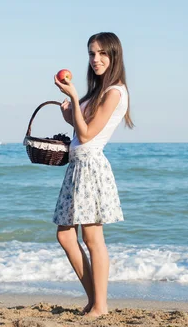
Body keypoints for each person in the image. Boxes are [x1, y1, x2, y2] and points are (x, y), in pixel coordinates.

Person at [52, 32, 134, 318]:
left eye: (102, 53)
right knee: (65, 235)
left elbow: (87, 136)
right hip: (77, 167)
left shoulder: (115, 92)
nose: (96, 59)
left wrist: (73, 97)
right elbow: (80, 128)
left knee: (92, 237)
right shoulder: (98, 91)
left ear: (114, 56)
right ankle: (94, 300)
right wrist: (71, 110)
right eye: (91, 54)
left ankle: (100, 305)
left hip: (90, 167)